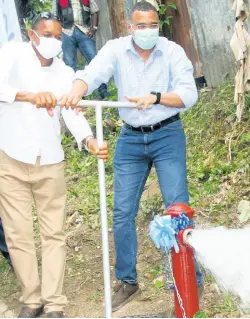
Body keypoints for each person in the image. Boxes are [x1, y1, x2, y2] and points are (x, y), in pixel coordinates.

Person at [58, 1, 203, 312]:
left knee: (178, 209)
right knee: (122, 212)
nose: (148, 31)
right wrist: (77, 89)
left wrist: (156, 97)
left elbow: (189, 94)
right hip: (131, 139)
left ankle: (191, 278)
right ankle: (128, 282)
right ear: (129, 27)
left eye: (153, 25)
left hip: (167, 134)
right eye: (141, 26)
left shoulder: (172, 51)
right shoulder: (116, 49)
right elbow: (91, 74)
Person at [0, 13, 108, 318]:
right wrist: (28, 96)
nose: (53, 41)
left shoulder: (63, 72)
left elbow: (71, 112)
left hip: (50, 161)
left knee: (53, 234)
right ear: (32, 35)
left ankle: (55, 304)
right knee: (18, 234)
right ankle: (32, 299)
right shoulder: (12, 54)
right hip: (11, 157)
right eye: (47, 34)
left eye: (58, 36)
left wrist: (89, 141)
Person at [52, 0, 110, 99]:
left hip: (84, 31)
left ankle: (103, 91)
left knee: (94, 61)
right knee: (69, 64)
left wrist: (94, 28)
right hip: (66, 32)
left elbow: (95, 11)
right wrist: (57, 33)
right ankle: (75, 93)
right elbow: (54, 16)